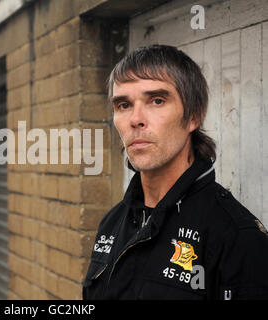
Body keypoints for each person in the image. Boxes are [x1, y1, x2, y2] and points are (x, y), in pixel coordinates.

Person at [83, 44, 268, 300]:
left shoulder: (236, 237)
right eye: (123, 105)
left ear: (194, 115)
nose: (135, 119)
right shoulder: (112, 222)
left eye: (156, 100)